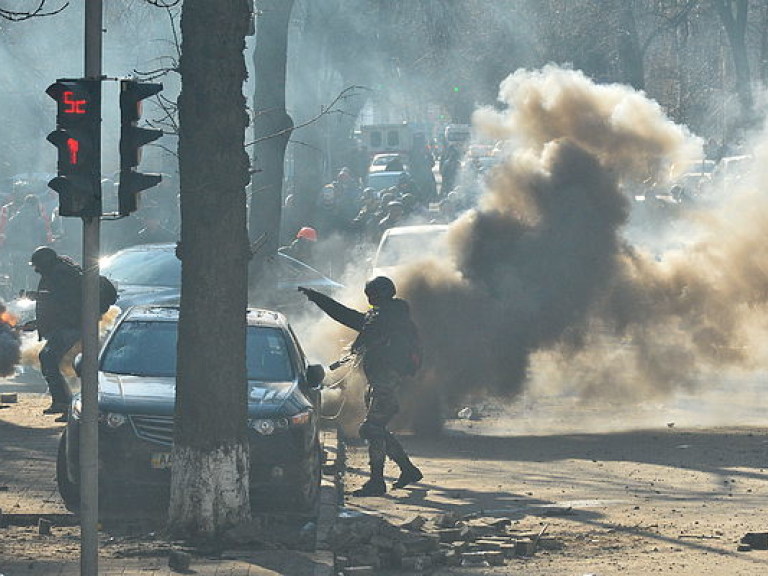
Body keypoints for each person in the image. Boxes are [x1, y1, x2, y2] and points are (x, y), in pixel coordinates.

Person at [298, 276, 422, 496]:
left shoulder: (389, 318)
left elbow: (365, 330)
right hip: (379, 381)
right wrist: (318, 299)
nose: (370, 299)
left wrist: (357, 346)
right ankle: (408, 469)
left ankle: (377, 481)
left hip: (386, 381)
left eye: (372, 295)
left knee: (371, 428)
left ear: (379, 295)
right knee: (376, 428)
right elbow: (347, 316)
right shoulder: (385, 316)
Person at [26, 246, 83, 420]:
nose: (36, 270)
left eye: (37, 265)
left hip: (71, 325)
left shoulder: (60, 274)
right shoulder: (58, 271)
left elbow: (61, 300)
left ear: (45, 262)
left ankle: (66, 404)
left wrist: (38, 296)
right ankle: (62, 402)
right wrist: (37, 323)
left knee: (48, 358)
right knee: (48, 358)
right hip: (68, 324)